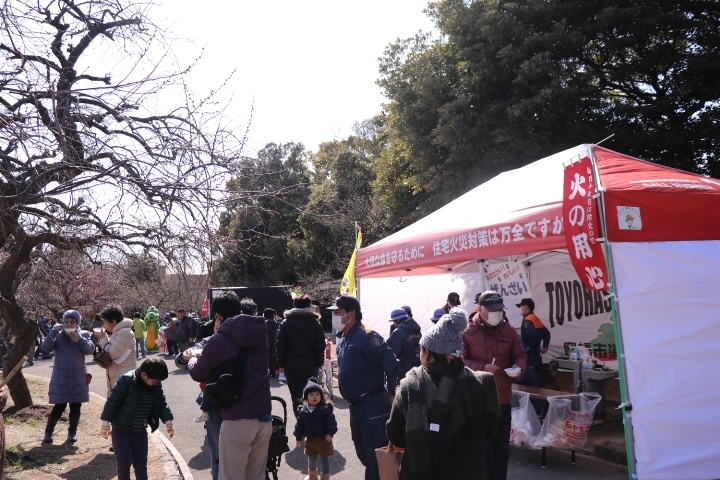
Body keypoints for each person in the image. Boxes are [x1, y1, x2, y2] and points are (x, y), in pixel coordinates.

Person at [387, 307, 500, 479]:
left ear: (427, 351)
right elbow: (490, 431)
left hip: (421, 471)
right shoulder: (478, 384)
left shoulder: (410, 386)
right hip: (468, 471)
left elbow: (396, 436)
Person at [188, 293, 272, 480]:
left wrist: (192, 358)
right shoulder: (259, 333)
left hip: (237, 419)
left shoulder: (219, 340)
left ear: (218, 315)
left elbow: (198, 373)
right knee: (255, 476)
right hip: (264, 416)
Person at [330, 294, 399, 480]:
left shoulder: (366, 336)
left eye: (338, 312)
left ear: (351, 314)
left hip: (373, 404)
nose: (335, 316)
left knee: (377, 458)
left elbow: (392, 364)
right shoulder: (344, 337)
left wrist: (392, 391)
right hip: (355, 406)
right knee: (364, 454)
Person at [462, 291, 527, 480]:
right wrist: (482, 368)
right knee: (482, 448)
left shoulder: (509, 330)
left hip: (502, 398)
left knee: (501, 448)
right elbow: (459, 360)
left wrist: (518, 367)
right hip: (478, 400)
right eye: (492, 310)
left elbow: (520, 355)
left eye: (500, 310)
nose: (497, 314)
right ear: (480, 309)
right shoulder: (467, 331)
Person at [100, 358, 174, 480]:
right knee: (123, 465)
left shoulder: (155, 384)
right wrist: (105, 422)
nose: (157, 383)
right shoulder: (127, 380)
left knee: (141, 465)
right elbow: (113, 401)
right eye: (155, 380)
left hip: (140, 431)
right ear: (144, 375)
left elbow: (161, 402)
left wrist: (168, 420)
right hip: (122, 431)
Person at [176, 313, 223, 480]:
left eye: (221, 327)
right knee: (218, 451)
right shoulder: (208, 342)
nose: (218, 331)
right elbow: (180, 360)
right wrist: (184, 356)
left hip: (235, 404)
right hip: (213, 404)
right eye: (216, 327)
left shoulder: (239, 343)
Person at [40, 310, 95, 443]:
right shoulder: (58, 335)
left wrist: (79, 339)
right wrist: (53, 331)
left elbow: (90, 350)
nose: (69, 324)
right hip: (61, 376)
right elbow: (45, 348)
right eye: (67, 321)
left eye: (72, 322)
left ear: (78, 323)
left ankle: (72, 432)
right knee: (59, 405)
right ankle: (49, 432)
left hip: (78, 376)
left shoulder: (84, 334)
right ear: (63, 322)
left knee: (76, 405)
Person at [276, 295, 326, 417]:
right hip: (311, 364)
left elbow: (280, 345)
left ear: (294, 305)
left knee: (296, 395)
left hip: (291, 364)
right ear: (309, 306)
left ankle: (301, 422)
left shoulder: (285, 323)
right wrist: (319, 363)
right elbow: (320, 345)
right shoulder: (315, 323)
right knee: (312, 392)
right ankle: (312, 422)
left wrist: (281, 363)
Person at [293, 377, 338, 480]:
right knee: (311, 459)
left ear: (321, 396)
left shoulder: (325, 409)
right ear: (306, 397)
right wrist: (298, 437)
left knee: (324, 459)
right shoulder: (304, 411)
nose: (314, 397)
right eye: (311, 395)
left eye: (317, 394)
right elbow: (299, 425)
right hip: (310, 440)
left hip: (324, 439)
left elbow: (331, 422)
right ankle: (312, 476)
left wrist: (330, 433)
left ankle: (325, 477)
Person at [95, 305, 137, 396]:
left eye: (105, 322)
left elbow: (112, 353)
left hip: (122, 377)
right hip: (118, 375)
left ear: (113, 321)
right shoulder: (120, 332)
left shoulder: (124, 333)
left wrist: (103, 339)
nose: (104, 325)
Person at [516, 298, 550, 388]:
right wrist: (545, 346)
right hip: (537, 356)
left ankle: (535, 401)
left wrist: (535, 347)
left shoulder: (527, 320)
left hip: (530, 354)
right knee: (538, 379)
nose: (520, 309)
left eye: (521, 306)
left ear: (526, 307)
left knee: (531, 382)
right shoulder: (536, 319)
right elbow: (547, 333)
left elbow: (532, 335)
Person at [386, 308, 421, 380]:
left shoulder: (398, 333)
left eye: (393, 321)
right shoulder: (416, 330)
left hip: (403, 372)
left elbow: (389, 354)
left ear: (397, 320)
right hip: (418, 369)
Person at [264, 308, 280, 377]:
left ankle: (271, 370)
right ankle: (274, 369)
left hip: (268, 341)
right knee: (274, 355)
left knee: (269, 356)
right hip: (275, 341)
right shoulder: (276, 323)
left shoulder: (266, 323)